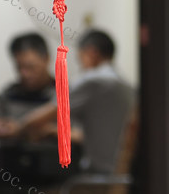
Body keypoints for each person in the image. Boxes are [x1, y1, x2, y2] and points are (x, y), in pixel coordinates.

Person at [19, 29, 134, 174]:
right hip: (124, 174)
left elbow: (35, 121)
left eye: (80, 57)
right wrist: (54, 131)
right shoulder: (127, 87)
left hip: (97, 176)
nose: (81, 64)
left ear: (91, 53)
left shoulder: (92, 81)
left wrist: (17, 127)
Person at [0, 32, 56, 139]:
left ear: (46, 59)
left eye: (30, 67)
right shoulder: (8, 95)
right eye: (19, 67)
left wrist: (44, 131)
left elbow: (78, 134)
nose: (25, 74)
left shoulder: (65, 95)